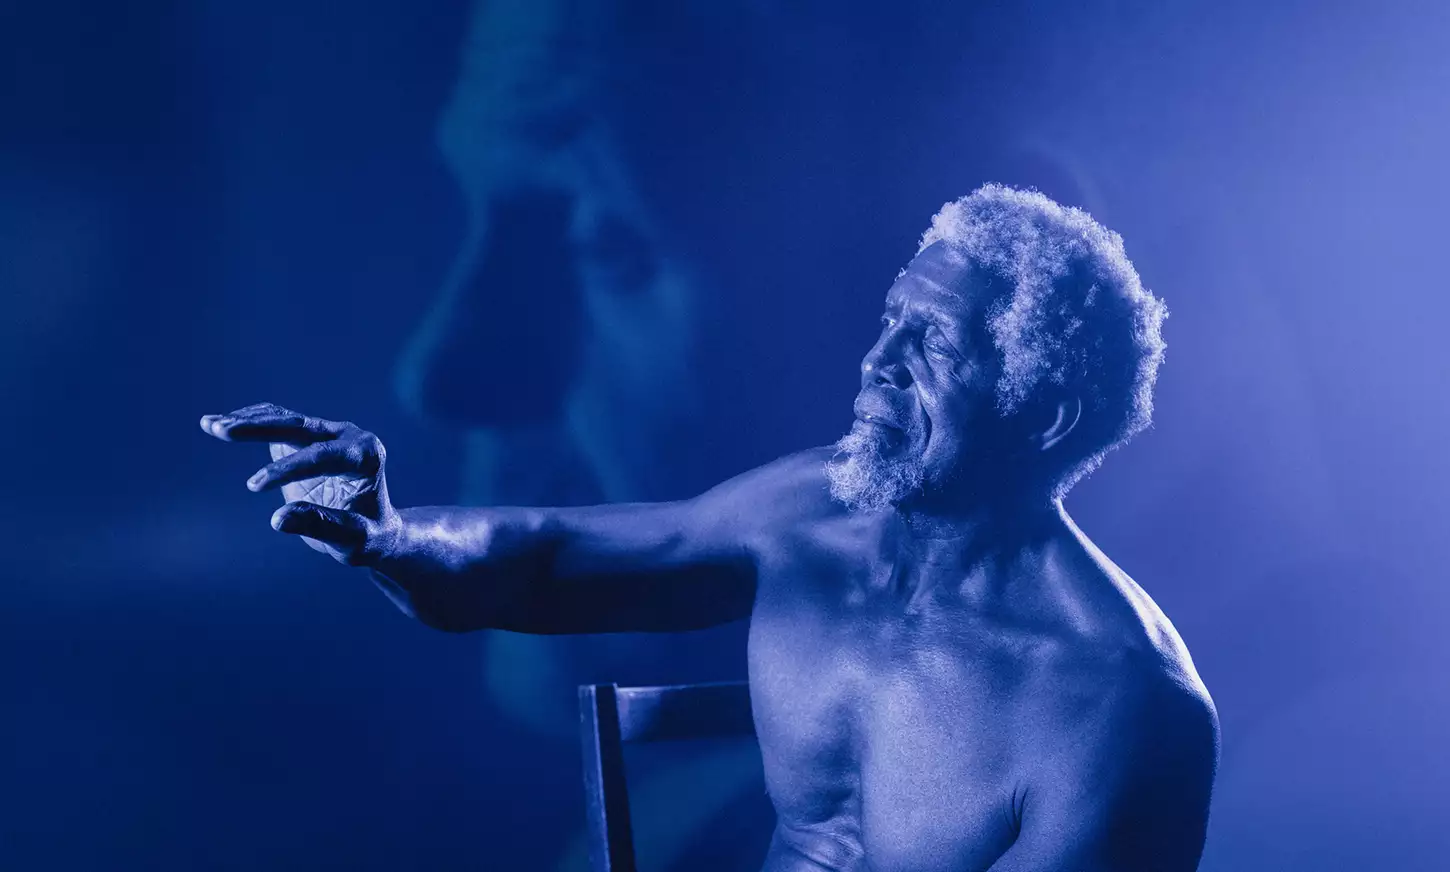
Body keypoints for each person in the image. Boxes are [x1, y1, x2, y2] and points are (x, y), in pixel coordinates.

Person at [202, 184, 1219, 870]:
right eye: (888, 322)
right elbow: (544, 560)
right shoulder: (815, 513)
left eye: (932, 348)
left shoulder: (1117, 704)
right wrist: (387, 531)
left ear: (1037, 414)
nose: (876, 363)